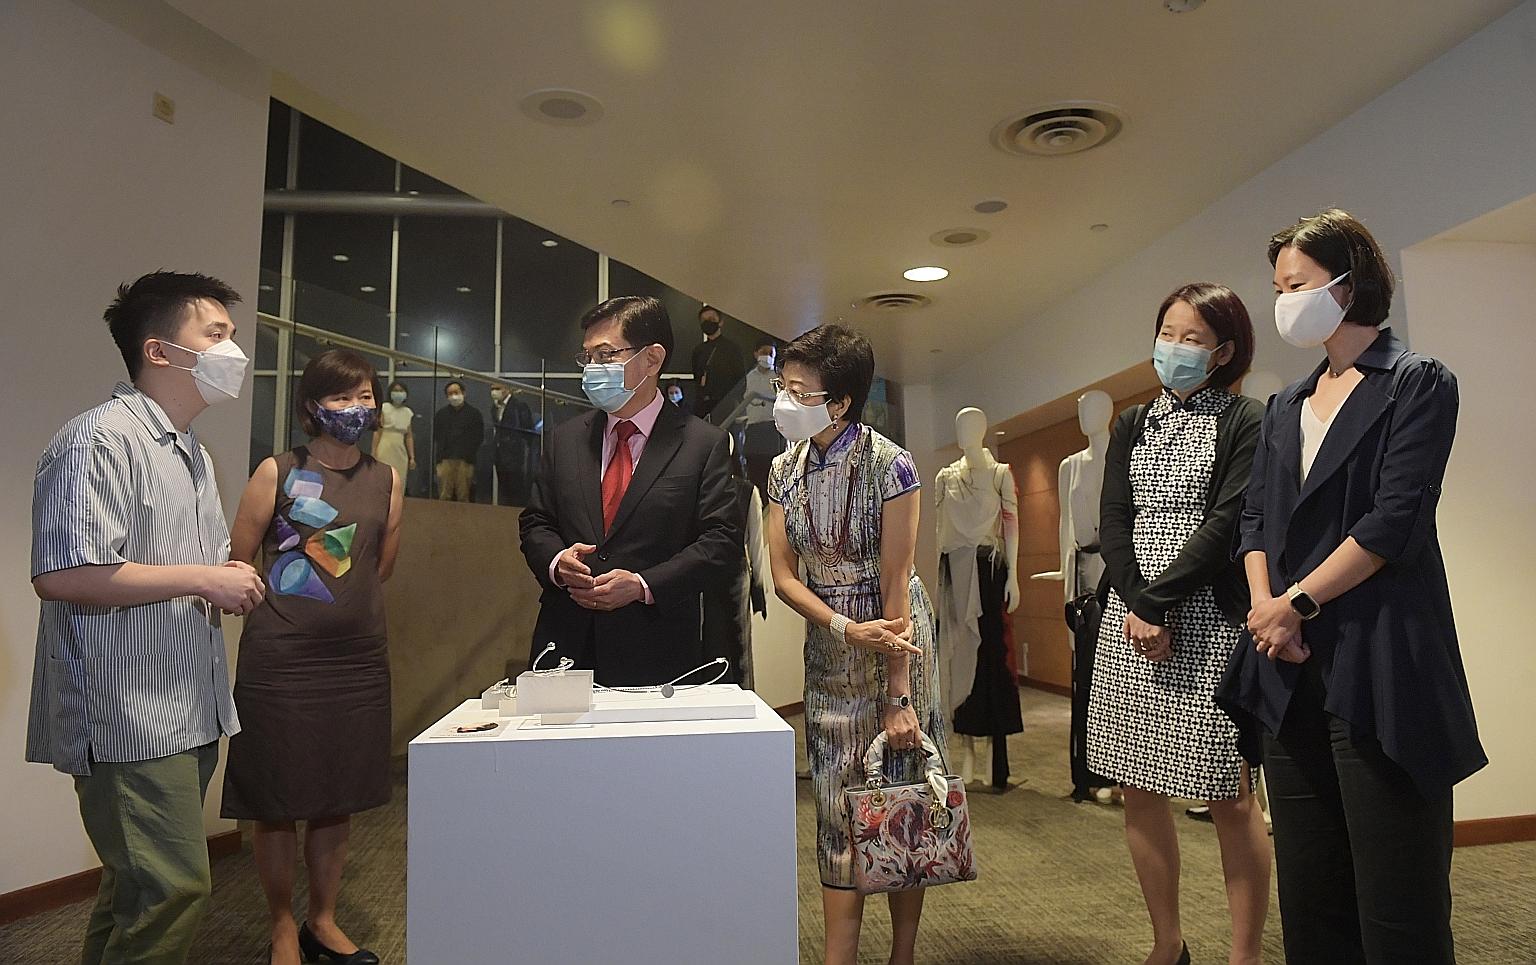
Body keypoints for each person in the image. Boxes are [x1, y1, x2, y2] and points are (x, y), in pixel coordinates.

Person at [1218, 209, 1485, 964]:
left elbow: (1393, 520)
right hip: (1287, 666)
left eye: (1296, 285)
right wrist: (1268, 609)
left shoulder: (1416, 382)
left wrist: (1296, 603)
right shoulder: (1285, 406)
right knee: (1312, 900)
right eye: (1278, 288)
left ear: (1349, 282)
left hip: (1379, 658)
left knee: (1398, 906)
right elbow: (1255, 521)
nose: (1284, 302)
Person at [26, 271, 263, 964]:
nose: (233, 351)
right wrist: (206, 578)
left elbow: (191, 568)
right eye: (216, 334)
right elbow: (63, 574)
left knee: (135, 890)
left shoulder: (192, 454)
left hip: (188, 706)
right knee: (171, 889)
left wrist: (226, 579)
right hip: (128, 714)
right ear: (159, 350)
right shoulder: (97, 441)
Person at [1088, 282, 1269, 965]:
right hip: (1131, 619)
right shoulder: (1132, 422)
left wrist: (1156, 603)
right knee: (1137, 784)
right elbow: (1113, 520)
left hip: (1210, 617)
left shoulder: (1245, 418)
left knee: (1229, 792)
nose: (1175, 347)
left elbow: (1228, 523)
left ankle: (1245, 954)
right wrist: (1138, 602)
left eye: (1193, 338)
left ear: (1223, 351)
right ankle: (1168, 943)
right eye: (1168, 332)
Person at [764, 324, 943, 965]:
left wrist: (899, 696)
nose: (784, 401)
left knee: (901, 801)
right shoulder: (783, 469)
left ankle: (902, 957)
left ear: (839, 402)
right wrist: (841, 627)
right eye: (782, 386)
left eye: (799, 391)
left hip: (897, 645)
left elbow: (896, 582)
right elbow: (783, 576)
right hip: (831, 650)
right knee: (835, 808)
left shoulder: (890, 464)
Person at [222, 348, 403, 965]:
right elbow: (240, 561)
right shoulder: (276, 471)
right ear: (311, 406)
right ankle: (280, 926)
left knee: (336, 796)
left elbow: (380, 567)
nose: (355, 408)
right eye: (340, 397)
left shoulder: (387, 480)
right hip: (281, 662)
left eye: (365, 396)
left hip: (356, 663)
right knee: (275, 801)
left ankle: (322, 922)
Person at [518, 296, 741, 685]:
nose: (592, 369)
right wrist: (557, 561)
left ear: (652, 359)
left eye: (606, 355)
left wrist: (642, 585)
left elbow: (720, 541)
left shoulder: (703, 444)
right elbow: (536, 521)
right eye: (587, 357)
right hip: (566, 645)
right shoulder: (563, 440)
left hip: (657, 652)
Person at [701, 434, 769, 689]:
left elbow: (755, 545)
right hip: (703, 577)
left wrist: (758, 589)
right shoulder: (699, 489)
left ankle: (744, 695)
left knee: (738, 643)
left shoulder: (747, 491)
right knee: (706, 643)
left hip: (735, 579)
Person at [724, 338, 781, 496]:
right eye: (764, 352)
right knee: (754, 471)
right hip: (753, 428)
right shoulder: (748, 377)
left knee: (773, 473)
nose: (767, 356)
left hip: (773, 430)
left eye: (771, 353)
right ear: (756, 354)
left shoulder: (779, 377)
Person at [689, 304, 744, 422]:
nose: (708, 323)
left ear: (720, 322)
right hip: (702, 406)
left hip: (725, 406)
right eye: (704, 320)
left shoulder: (732, 348)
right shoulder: (698, 350)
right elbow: (696, 378)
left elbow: (740, 379)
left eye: (711, 319)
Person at [433, 379, 483, 501]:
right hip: (445, 460)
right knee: (444, 495)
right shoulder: (441, 414)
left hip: (465, 461)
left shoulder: (474, 414)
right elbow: (437, 436)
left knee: (463, 496)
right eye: (450, 394)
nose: (454, 396)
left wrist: (468, 454)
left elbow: (478, 437)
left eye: (456, 392)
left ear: (463, 393)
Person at [491, 383, 538, 506]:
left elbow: (527, 430)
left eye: (497, 388)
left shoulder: (519, 407)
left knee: (516, 489)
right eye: (492, 389)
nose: (494, 392)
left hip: (516, 455)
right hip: (500, 454)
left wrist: (520, 446)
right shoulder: (495, 407)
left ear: (507, 389)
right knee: (504, 489)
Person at [374, 380, 416, 494]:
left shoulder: (408, 412)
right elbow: (378, 432)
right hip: (385, 447)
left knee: (400, 480)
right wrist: (374, 451)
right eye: (396, 390)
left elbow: (409, 436)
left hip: (400, 450)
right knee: (383, 478)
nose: (398, 393)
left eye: (401, 391)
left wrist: (412, 457)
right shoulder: (384, 408)